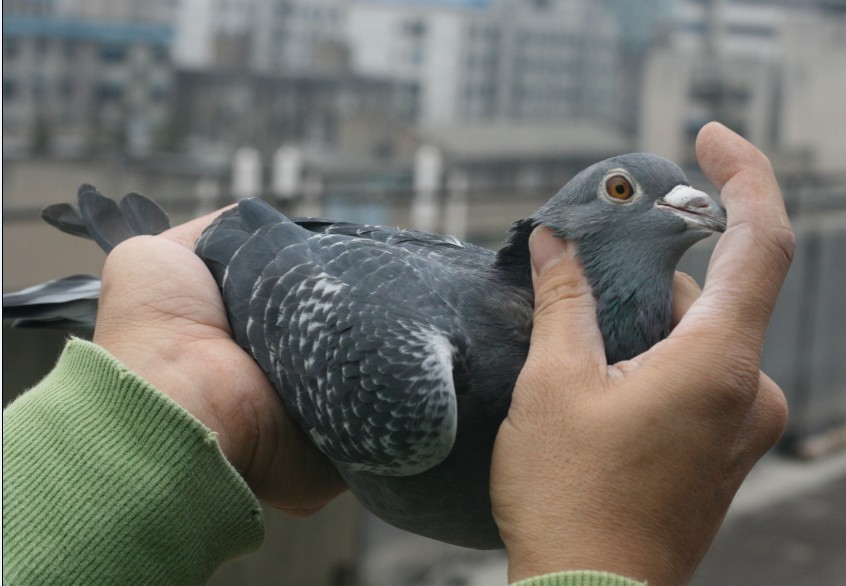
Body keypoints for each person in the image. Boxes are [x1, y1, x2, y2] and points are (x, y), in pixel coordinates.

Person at [2, 122, 793, 585]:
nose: (685, 201)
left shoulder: (630, 380)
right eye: (622, 191)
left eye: (675, 192)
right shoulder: (423, 382)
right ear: (567, 225)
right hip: (291, 294)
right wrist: (615, 558)